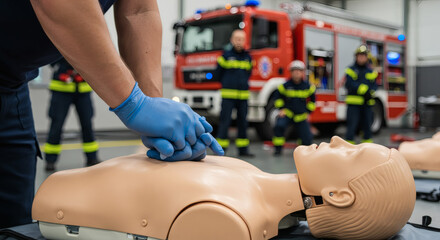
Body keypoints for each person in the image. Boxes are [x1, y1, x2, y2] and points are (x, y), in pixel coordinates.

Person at [0, 0, 222, 228]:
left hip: (11, 81)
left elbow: (139, 10)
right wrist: (134, 104)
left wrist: (153, 105)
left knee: (14, 222)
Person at [33, 136, 415, 240]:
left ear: (337, 196)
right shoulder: (248, 179)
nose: (336, 139)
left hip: (60, 200)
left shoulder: (232, 221)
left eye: (350, 154)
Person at [44, 58, 100, 171]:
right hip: (61, 90)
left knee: (87, 124)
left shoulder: (86, 44)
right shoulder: (58, 41)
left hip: (83, 91)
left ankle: (92, 158)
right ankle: (50, 160)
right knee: (56, 125)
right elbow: (50, 61)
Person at [215, 29, 254, 157]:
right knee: (225, 122)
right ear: (231, 40)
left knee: (243, 123)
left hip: (243, 97)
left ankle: (243, 150)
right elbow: (218, 74)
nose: (239, 41)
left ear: (245, 41)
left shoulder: (248, 57)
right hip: (228, 96)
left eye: (241, 39)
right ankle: (221, 149)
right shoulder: (225, 56)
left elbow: (249, 73)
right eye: (237, 39)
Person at [272, 60, 316, 155]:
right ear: (291, 72)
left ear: (303, 73)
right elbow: (277, 98)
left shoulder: (308, 87)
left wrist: (308, 112)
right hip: (288, 114)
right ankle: (278, 149)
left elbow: (313, 101)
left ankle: (303, 152)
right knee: (279, 126)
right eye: (294, 70)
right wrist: (281, 109)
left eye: (299, 70)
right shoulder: (285, 86)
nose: (297, 72)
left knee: (307, 137)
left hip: (301, 116)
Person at [344, 45, 378, 144]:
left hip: (367, 104)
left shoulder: (371, 71)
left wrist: (369, 92)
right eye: (360, 56)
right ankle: (348, 149)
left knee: (367, 127)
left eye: (364, 56)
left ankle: (367, 148)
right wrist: (363, 89)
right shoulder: (350, 69)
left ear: (367, 57)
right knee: (351, 127)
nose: (362, 58)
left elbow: (374, 86)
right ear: (356, 57)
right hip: (353, 105)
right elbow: (349, 84)